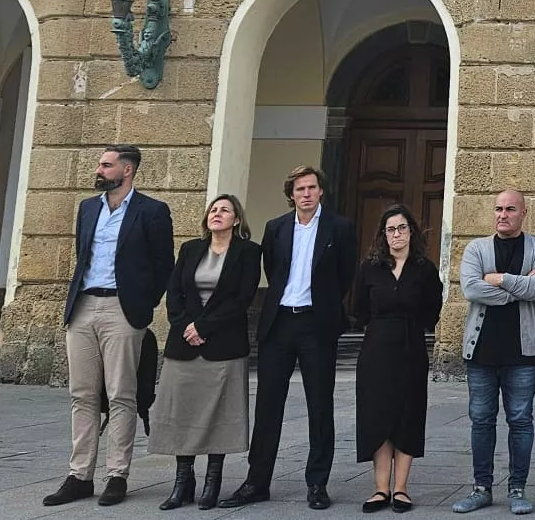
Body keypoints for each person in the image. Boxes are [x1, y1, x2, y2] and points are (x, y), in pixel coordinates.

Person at [45, 146, 175, 508]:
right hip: (84, 306)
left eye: (106, 164)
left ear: (127, 170)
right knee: (82, 393)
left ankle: (117, 474)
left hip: (123, 309)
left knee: (121, 394)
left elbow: (165, 264)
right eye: (100, 164)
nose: (99, 170)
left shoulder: (152, 211)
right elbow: (81, 254)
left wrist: (142, 303)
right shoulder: (88, 208)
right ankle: (79, 475)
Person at [222, 166, 357, 510]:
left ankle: (317, 483)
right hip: (279, 322)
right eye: (300, 189)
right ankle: (257, 481)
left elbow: (345, 276)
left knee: (319, 407)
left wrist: (322, 305)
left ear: (321, 192)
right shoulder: (276, 227)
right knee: (268, 406)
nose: (306, 194)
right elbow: (273, 269)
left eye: (312, 187)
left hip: (317, 324)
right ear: (291, 194)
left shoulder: (340, 228)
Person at [153, 193, 261, 511]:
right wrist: (187, 325)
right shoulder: (190, 249)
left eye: (224, 210)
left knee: (220, 414)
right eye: (213, 210)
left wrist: (204, 327)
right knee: (183, 412)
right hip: (184, 344)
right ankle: (183, 480)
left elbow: (242, 297)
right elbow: (174, 292)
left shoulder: (248, 252)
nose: (217, 214)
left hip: (224, 345)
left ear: (236, 220)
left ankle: (213, 480)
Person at [453, 189, 535, 516]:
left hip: (521, 354)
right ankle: (481, 488)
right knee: (482, 421)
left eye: (510, 209)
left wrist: (498, 280)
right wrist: (518, 288)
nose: (502, 214)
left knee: (520, 421)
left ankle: (517, 488)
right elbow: (471, 288)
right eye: (498, 208)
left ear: (524, 213)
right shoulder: (476, 248)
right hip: (481, 352)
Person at [355, 203, 444, 514]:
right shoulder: (370, 268)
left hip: (411, 347)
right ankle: (380, 489)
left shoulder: (425, 269)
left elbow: (433, 306)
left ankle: (401, 488)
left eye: (402, 228)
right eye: (390, 229)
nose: (396, 234)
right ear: (383, 234)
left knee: (407, 414)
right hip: (376, 348)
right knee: (377, 415)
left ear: (411, 232)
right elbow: (358, 308)